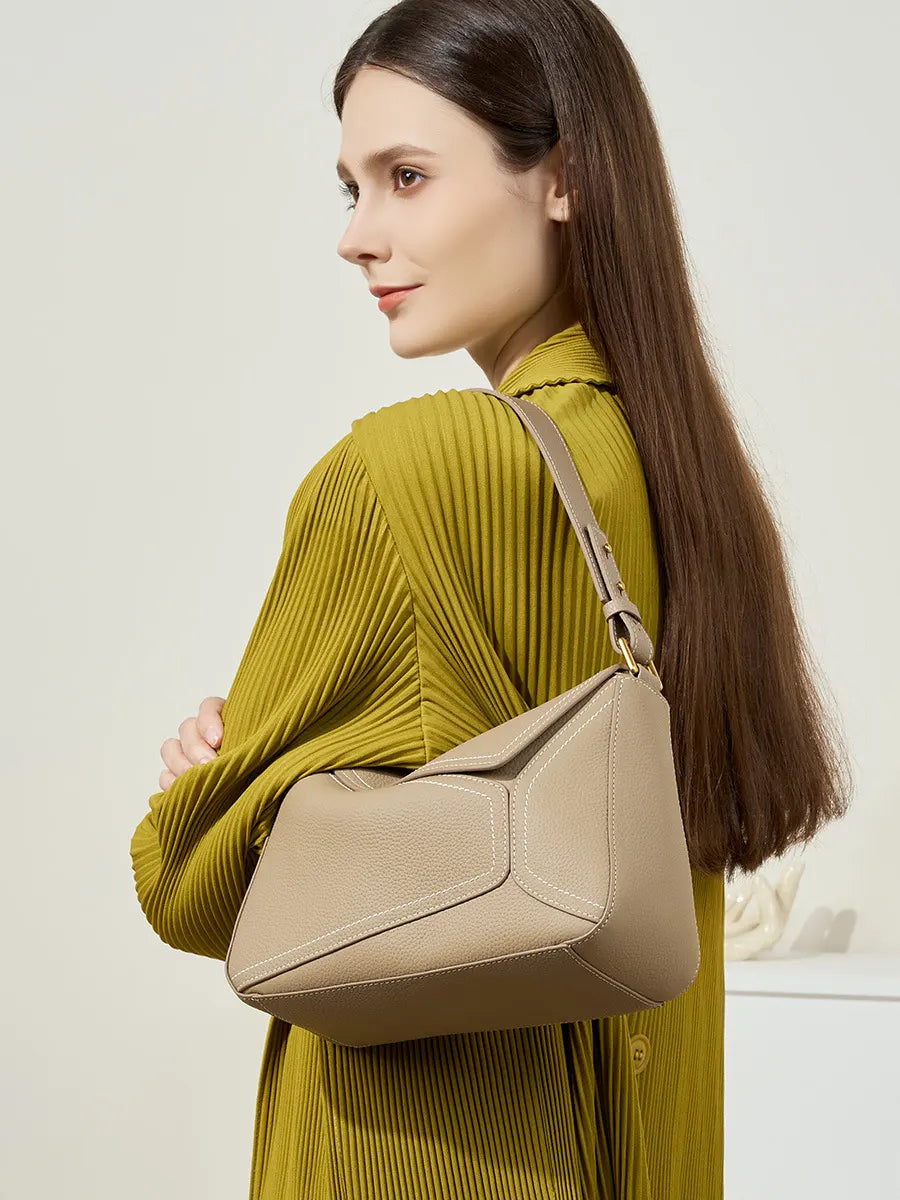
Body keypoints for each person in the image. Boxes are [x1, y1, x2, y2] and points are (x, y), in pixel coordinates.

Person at [130, 2, 852, 1196]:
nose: (358, 236)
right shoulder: (680, 479)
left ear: (562, 176)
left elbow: (198, 885)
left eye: (406, 177)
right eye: (350, 189)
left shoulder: (414, 475)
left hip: (433, 1156)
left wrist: (201, 784)